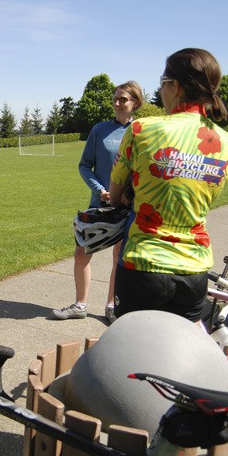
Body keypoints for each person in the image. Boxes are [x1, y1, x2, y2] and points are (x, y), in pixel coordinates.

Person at [109, 47, 228, 323]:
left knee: (131, 355)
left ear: (176, 87)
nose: (161, 91)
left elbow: (115, 192)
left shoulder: (142, 129)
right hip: (194, 270)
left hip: (143, 264)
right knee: (178, 358)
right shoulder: (227, 142)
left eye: (162, 84)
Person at [52, 81, 143, 322]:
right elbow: (85, 165)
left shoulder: (143, 132)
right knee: (81, 253)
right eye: (115, 98)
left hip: (128, 206)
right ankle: (80, 305)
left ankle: (112, 306)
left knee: (119, 257)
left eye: (123, 99)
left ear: (136, 103)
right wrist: (101, 190)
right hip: (99, 204)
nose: (117, 103)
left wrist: (127, 195)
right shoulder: (99, 130)